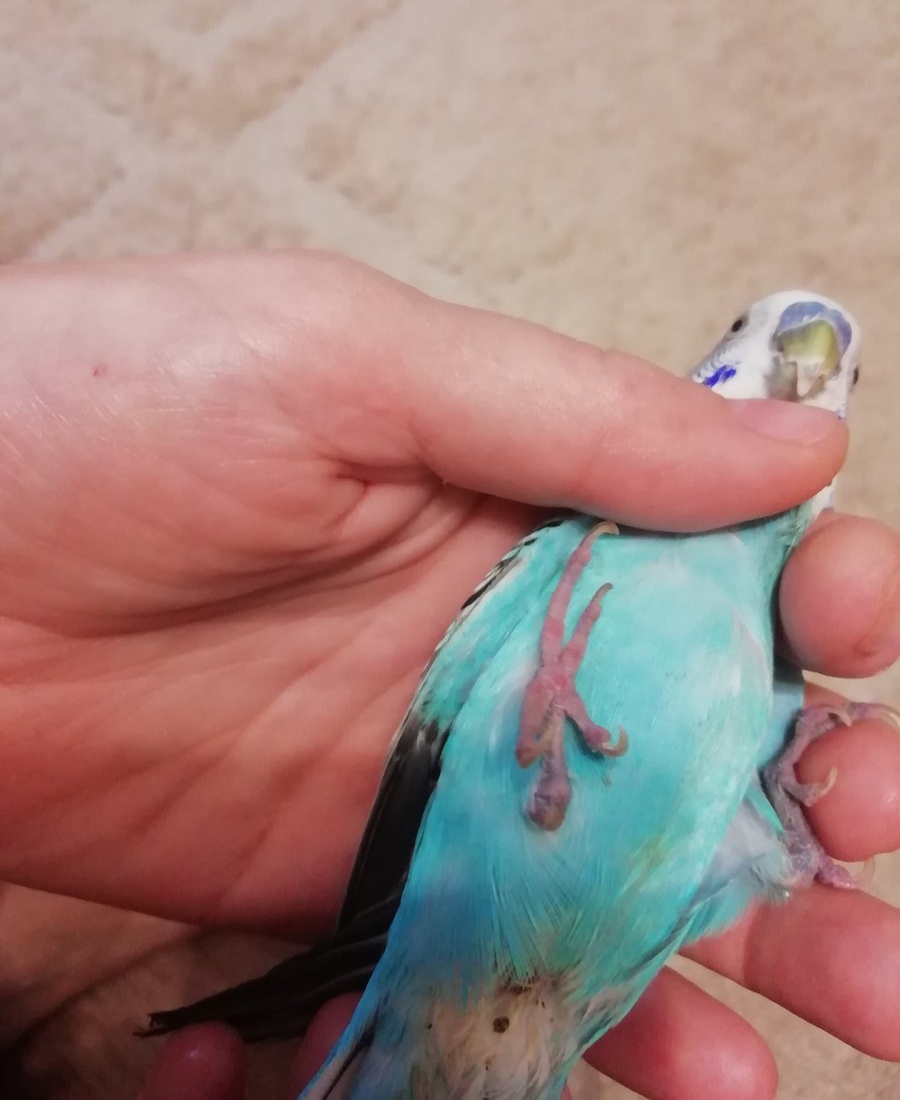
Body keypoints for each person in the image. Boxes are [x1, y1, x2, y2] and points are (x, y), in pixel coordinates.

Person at [0, 252, 896, 1100]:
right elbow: (447, 730)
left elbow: (719, 839)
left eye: (844, 370)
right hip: (461, 944)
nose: (808, 347)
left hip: (564, 995)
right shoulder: (572, 542)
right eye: (749, 326)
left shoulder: (771, 634)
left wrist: (786, 808)